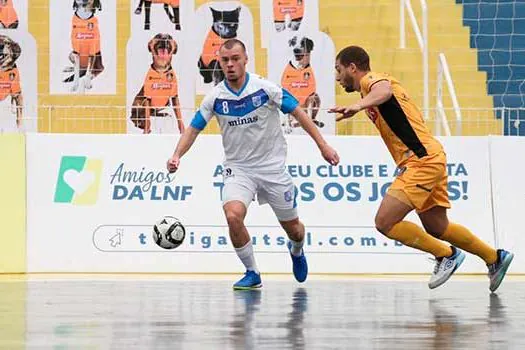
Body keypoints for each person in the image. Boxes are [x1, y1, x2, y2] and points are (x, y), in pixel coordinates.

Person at [329, 45, 513, 292]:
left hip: (421, 161)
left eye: (339, 70)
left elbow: (383, 91)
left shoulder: (373, 81)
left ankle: (445, 255)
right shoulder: (370, 91)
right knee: (437, 226)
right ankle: (494, 257)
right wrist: (361, 106)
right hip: (430, 156)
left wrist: (359, 105)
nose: (338, 77)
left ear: (353, 67)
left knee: (385, 222)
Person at [167, 39, 340, 290]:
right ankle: (252, 272)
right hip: (238, 170)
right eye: (225, 60)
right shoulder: (215, 98)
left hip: (272, 168)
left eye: (235, 59)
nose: (230, 64)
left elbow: (299, 114)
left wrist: (323, 146)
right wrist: (176, 155)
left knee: (295, 230)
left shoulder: (266, 89)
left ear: (245, 59)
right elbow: (193, 128)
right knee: (233, 215)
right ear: (219, 62)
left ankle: (297, 250)